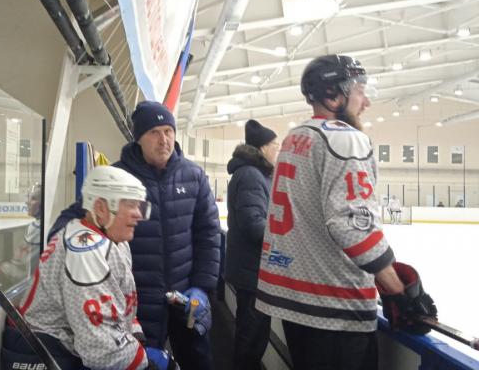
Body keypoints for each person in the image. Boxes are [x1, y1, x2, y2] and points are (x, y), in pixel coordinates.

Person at [255, 55, 436, 370]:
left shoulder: (296, 137)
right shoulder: (345, 138)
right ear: (333, 95)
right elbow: (352, 224)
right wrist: (396, 288)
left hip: (292, 298)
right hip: (333, 307)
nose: (366, 101)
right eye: (360, 91)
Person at [1, 166, 177, 370]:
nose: (139, 214)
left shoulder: (113, 241)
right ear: (101, 208)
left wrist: (134, 337)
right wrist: (146, 362)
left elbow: (117, 305)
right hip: (41, 351)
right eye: (130, 205)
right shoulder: (85, 252)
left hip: (62, 346)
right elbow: (101, 350)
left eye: (140, 206)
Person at [114, 101, 221, 370]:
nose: (164, 140)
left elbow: (208, 234)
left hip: (186, 296)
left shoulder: (193, 176)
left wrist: (202, 286)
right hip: (138, 299)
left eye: (168, 131)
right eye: (154, 132)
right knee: (145, 363)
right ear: (139, 138)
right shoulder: (117, 178)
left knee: (198, 360)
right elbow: (88, 220)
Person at [225, 120, 279, 370]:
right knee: (251, 338)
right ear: (262, 147)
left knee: (253, 335)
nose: (278, 149)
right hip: (252, 272)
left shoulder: (255, 174)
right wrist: (284, 237)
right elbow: (253, 224)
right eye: (275, 144)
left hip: (251, 270)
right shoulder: (251, 175)